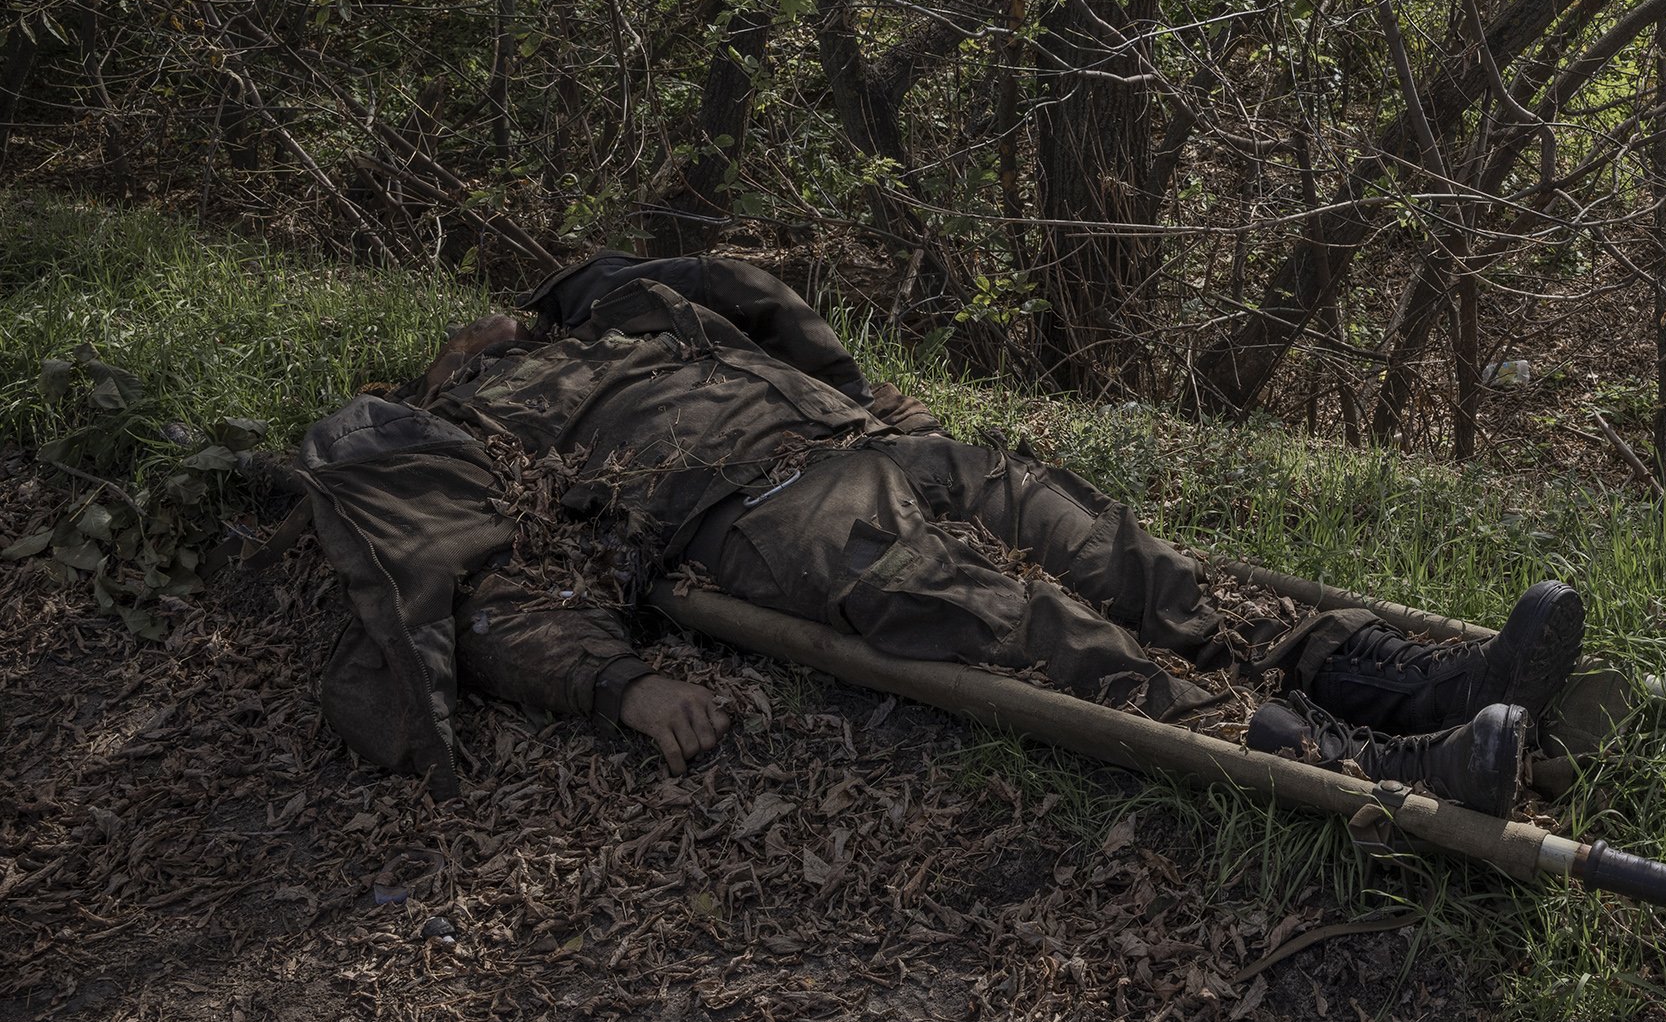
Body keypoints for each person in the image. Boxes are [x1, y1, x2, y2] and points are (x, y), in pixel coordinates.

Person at [288, 253, 1584, 818]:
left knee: (1112, 550)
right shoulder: (473, 427)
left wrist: (575, 289)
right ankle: (1379, 768)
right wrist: (621, 684)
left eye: (495, 316)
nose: (487, 326)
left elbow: (737, 287)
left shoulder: (619, 317)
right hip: (763, 517)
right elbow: (490, 585)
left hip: (868, 441)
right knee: (1027, 626)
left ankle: (1418, 680)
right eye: (467, 334)